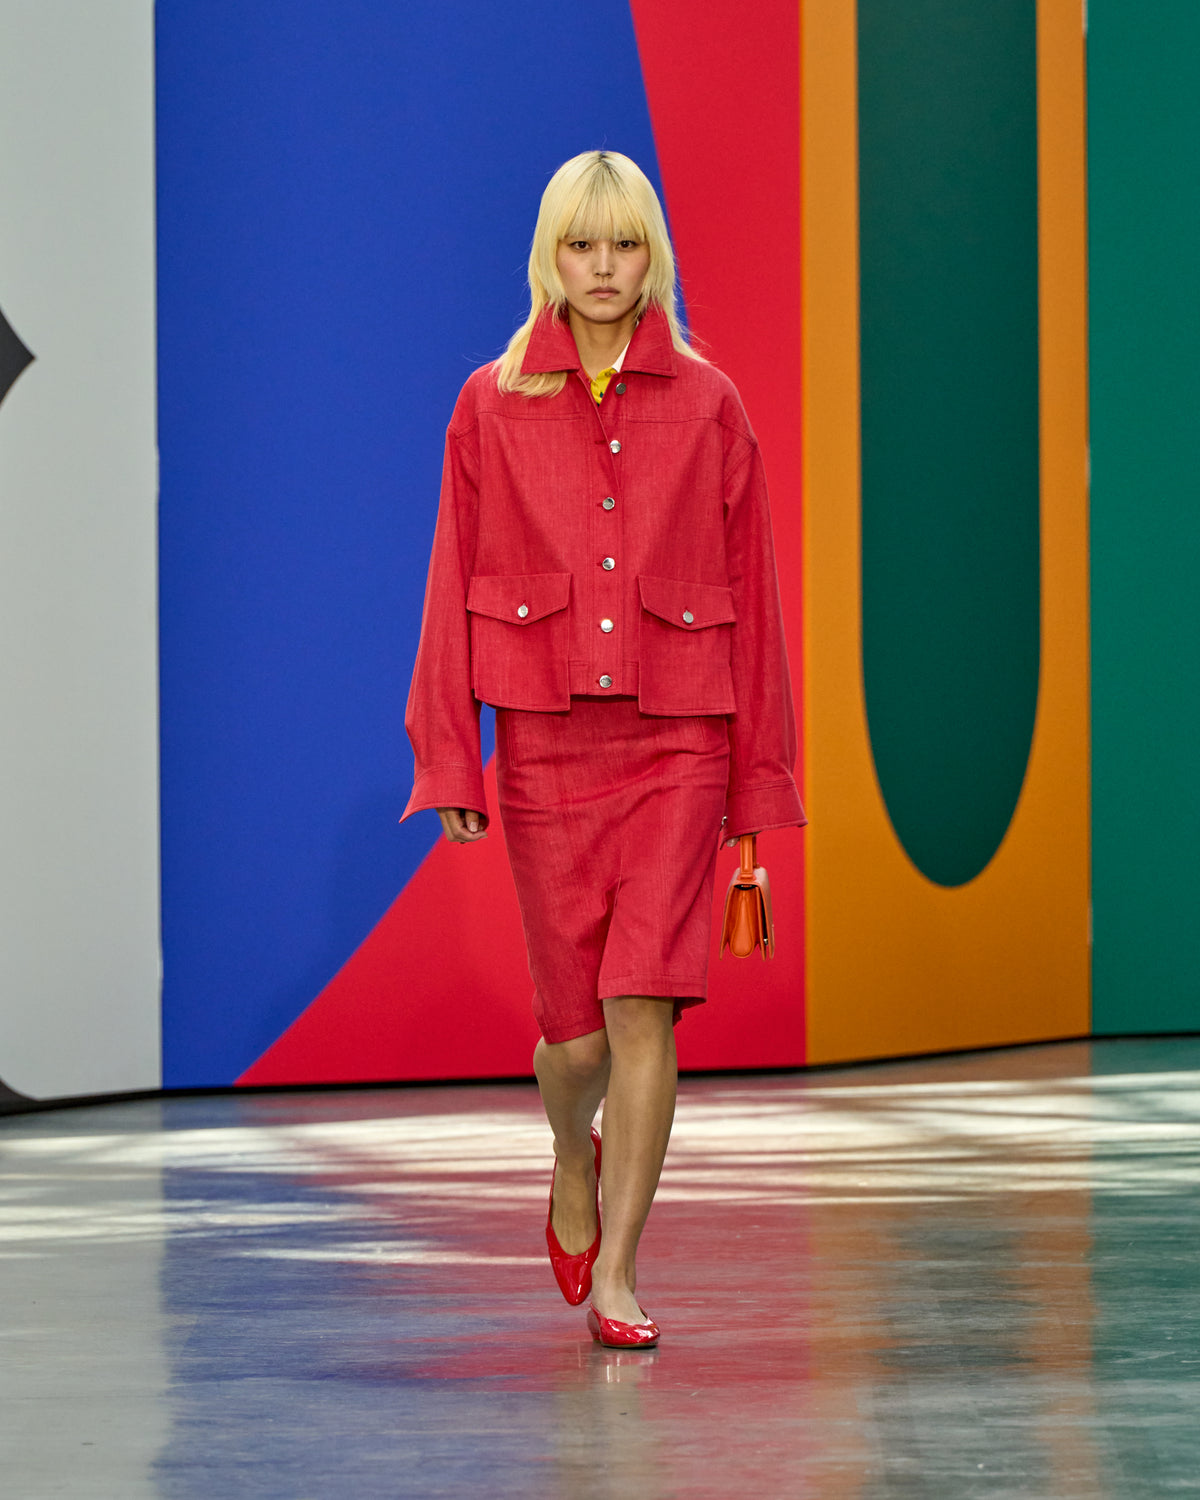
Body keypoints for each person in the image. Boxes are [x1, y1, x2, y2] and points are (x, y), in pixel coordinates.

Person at [401, 150, 805, 1347]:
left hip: (679, 740)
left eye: (625, 245)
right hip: (545, 744)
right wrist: (450, 756)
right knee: (574, 1037)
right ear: (550, 257)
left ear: (652, 257)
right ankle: (569, 1155)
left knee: (644, 1007)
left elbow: (755, 598)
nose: (604, 268)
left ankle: (620, 1274)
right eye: (582, 245)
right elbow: (449, 578)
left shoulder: (710, 403)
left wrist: (756, 783)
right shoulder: (489, 402)